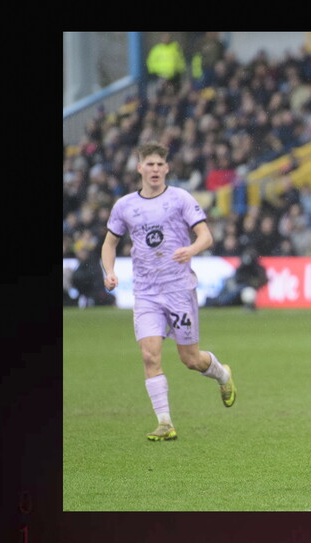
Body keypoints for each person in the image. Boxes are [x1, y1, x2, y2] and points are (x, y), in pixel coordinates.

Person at [101, 141, 237, 441]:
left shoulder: (180, 199)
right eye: (149, 164)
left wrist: (191, 249)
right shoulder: (125, 206)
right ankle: (165, 423)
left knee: (190, 359)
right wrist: (109, 272)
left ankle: (222, 374)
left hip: (178, 289)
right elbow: (110, 243)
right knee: (150, 355)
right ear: (139, 168)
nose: (155, 169)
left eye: (160, 164)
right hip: (146, 292)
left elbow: (206, 236)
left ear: (167, 168)